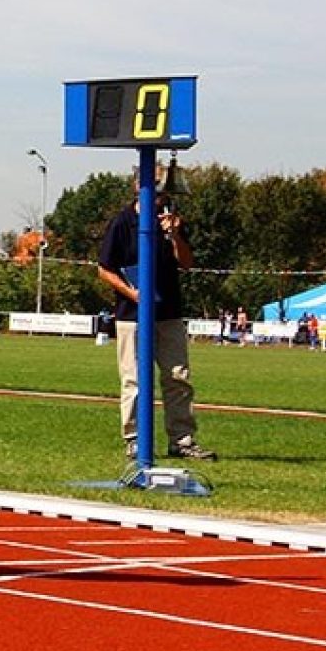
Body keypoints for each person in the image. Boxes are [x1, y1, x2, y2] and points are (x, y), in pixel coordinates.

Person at [96, 189, 217, 462]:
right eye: (158, 197)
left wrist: (174, 236)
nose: (162, 204)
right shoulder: (122, 222)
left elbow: (186, 263)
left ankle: (182, 440)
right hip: (132, 314)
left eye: (165, 199)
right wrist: (133, 294)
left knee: (178, 377)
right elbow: (104, 268)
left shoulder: (170, 221)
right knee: (134, 380)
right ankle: (134, 441)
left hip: (169, 314)